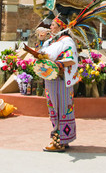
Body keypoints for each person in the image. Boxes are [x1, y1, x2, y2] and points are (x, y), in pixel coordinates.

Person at [27, 15, 79, 152]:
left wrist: (55, 64)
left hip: (60, 81)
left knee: (61, 108)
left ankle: (59, 141)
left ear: (61, 27)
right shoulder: (51, 41)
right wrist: (41, 41)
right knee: (54, 108)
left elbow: (71, 59)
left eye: (53, 25)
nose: (50, 27)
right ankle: (63, 138)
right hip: (50, 79)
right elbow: (41, 54)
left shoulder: (67, 41)